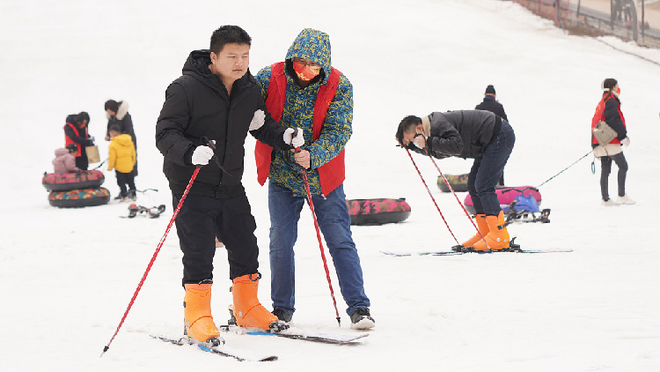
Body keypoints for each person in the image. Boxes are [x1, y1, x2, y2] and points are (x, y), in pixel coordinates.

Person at [155, 25, 303, 346]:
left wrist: (284, 136)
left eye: (245, 56)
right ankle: (196, 316)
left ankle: (247, 309)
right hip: (191, 183)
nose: (240, 63)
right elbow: (166, 133)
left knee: (245, 244)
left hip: (230, 181)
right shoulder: (185, 89)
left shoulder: (248, 89)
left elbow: (260, 125)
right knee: (199, 250)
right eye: (232, 56)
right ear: (213, 57)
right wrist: (190, 152)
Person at [254, 28, 375, 330]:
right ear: (291, 58)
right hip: (282, 174)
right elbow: (249, 110)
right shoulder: (270, 77)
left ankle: (359, 307)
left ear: (325, 65)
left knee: (339, 240)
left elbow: (339, 131)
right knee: (280, 241)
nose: (306, 71)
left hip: (323, 179)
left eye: (315, 65)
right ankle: (281, 309)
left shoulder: (340, 85)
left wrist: (314, 155)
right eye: (301, 63)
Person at [396, 110, 515, 251]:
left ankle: (499, 235)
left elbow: (456, 146)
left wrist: (427, 142)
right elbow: (441, 152)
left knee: (483, 185)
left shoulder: (438, 124)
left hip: (499, 135)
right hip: (488, 141)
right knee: (473, 185)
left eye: (413, 140)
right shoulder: (431, 129)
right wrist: (412, 146)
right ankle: (486, 232)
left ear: (419, 129)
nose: (414, 143)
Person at [591, 78, 634, 206]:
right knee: (623, 166)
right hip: (610, 140)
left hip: (598, 140)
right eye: (617, 86)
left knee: (605, 169)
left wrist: (594, 144)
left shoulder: (602, 100)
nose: (618, 88)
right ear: (611, 87)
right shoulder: (611, 100)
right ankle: (621, 196)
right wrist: (622, 136)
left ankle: (605, 199)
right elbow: (614, 119)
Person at [476, 85, 508, 185]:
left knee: (481, 164)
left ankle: (480, 185)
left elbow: (474, 125)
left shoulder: (479, 107)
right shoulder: (498, 107)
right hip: (496, 140)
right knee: (498, 163)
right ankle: (500, 185)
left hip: (482, 142)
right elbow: (506, 124)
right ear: (494, 95)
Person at [105, 99, 138, 176]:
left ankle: (131, 179)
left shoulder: (126, 116)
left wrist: (116, 137)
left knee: (129, 159)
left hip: (128, 142)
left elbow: (129, 130)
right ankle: (121, 178)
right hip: (117, 143)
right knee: (119, 160)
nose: (109, 113)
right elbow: (109, 127)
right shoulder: (111, 117)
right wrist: (108, 135)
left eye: (110, 111)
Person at [107, 124, 137, 201]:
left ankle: (124, 196)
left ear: (112, 133)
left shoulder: (113, 144)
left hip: (119, 167)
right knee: (131, 181)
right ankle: (134, 195)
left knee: (121, 182)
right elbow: (133, 153)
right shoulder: (129, 141)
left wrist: (110, 167)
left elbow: (112, 157)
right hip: (129, 165)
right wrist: (133, 163)